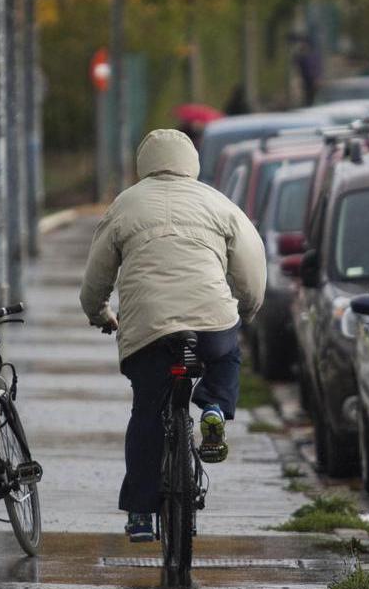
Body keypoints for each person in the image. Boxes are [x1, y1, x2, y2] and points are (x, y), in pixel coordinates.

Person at [79, 128, 266, 542]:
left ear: (143, 164)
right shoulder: (218, 202)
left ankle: (141, 514)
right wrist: (247, 309)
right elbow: (251, 262)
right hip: (211, 322)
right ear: (192, 163)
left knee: (147, 410)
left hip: (148, 331)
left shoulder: (125, 206)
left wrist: (99, 313)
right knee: (226, 355)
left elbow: (97, 277)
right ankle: (215, 408)